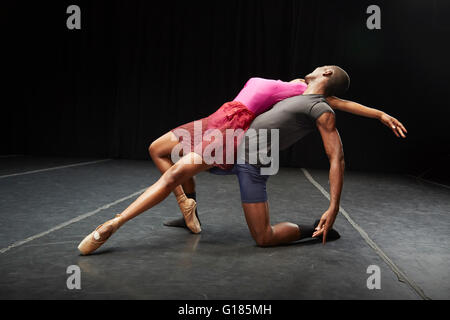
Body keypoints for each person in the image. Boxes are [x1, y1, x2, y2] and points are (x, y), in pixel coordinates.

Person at [77, 66, 404, 254]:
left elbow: (338, 109)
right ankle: (172, 209)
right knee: (161, 154)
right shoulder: (294, 87)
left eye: (318, 69)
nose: (311, 69)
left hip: (235, 133)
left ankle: (113, 225)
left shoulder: (308, 97)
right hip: (221, 123)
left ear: (326, 73)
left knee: (261, 236)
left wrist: (379, 115)